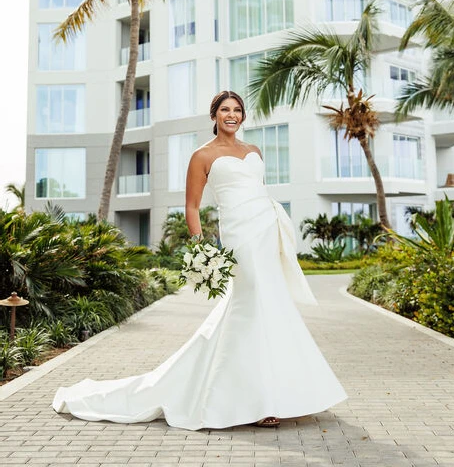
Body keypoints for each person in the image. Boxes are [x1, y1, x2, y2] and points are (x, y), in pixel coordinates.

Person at [52, 91, 347, 429]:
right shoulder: (202, 156)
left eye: (237, 110)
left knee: (271, 306)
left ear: (243, 116)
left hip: (266, 230)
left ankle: (279, 394)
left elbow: (257, 191)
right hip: (239, 237)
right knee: (249, 307)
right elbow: (192, 207)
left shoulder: (254, 151)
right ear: (214, 115)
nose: (232, 116)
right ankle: (254, 400)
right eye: (225, 110)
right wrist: (202, 249)